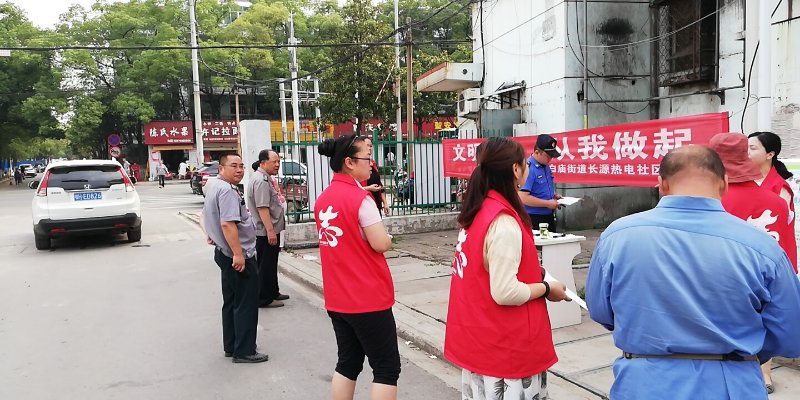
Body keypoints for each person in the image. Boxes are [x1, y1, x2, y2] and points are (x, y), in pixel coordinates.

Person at [585, 145, 800, 400]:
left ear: (661, 185)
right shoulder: (762, 246)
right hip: (732, 383)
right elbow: (790, 332)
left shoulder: (617, 236)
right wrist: (741, 351)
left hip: (643, 382)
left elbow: (600, 310)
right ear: (724, 184)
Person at [444, 137, 570, 400]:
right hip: (505, 351)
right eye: (524, 163)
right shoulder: (503, 222)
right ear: (515, 169)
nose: (527, 168)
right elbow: (505, 291)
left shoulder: (480, 210)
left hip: (480, 341)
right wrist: (547, 288)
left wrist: (536, 273)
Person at [314, 134, 400, 400]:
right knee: (386, 368)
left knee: (348, 362)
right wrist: (389, 239)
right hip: (367, 297)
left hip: (338, 297)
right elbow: (380, 243)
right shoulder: (360, 200)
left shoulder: (323, 199)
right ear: (349, 162)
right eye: (367, 157)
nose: (371, 164)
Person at [200, 153, 268, 364]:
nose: (239, 170)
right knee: (246, 303)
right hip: (238, 255)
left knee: (231, 301)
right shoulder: (227, 191)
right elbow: (228, 224)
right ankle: (244, 350)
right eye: (234, 166)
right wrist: (238, 254)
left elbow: (207, 215)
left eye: (241, 166)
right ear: (221, 168)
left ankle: (231, 345)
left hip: (224, 252)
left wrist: (212, 234)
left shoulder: (214, 186)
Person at [247, 149, 289, 309]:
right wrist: (270, 231)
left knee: (271, 263)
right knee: (265, 265)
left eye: (278, 161)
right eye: (274, 162)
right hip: (265, 231)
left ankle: (272, 292)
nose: (277, 165)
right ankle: (264, 298)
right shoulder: (261, 181)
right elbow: (262, 208)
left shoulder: (265, 178)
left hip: (270, 230)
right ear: (263, 163)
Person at [518, 134, 562, 232]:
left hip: (548, 216)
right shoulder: (528, 168)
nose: (550, 159)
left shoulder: (545, 166)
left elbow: (539, 187)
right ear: (537, 152)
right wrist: (547, 203)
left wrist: (553, 195)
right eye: (548, 156)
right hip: (533, 218)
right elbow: (523, 197)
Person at [360, 137, 390, 216]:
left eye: (371, 146)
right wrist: (369, 188)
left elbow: (379, 185)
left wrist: (385, 203)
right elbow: (354, 189)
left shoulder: (373, 163)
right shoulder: (357, 166)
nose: (369, 148)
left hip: (376, 204)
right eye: (367, 145)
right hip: (365, 204)